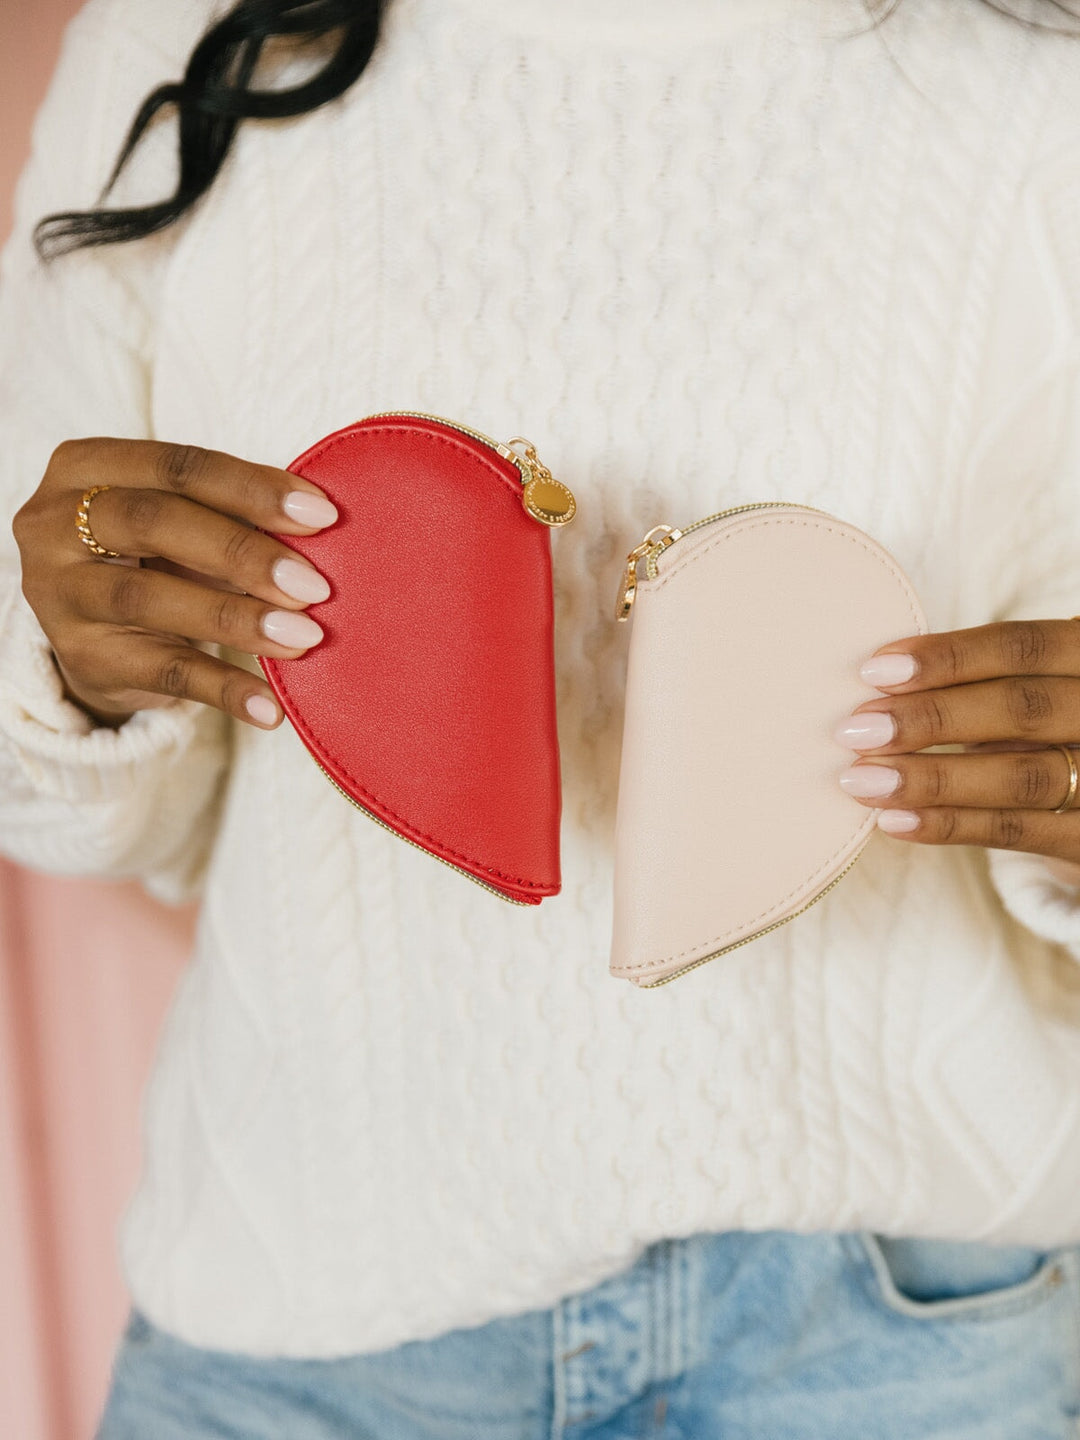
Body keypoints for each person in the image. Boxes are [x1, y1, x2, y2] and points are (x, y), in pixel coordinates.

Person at [3, 0, 1080, 1434]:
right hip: (302, 1324)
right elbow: (73, 823)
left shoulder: (1040, 94)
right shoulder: (180, 47)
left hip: (916, 1332)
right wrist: (62, 656)